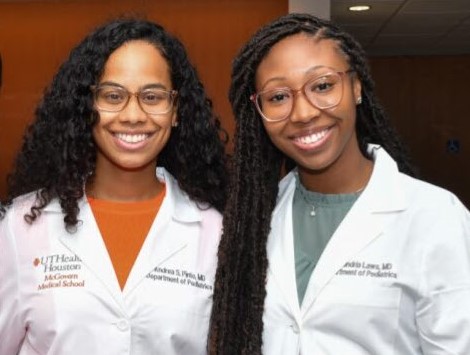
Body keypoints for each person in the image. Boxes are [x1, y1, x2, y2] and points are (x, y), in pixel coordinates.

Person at [208, 13, 470, 355]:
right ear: (258, 110)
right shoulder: (252, 220)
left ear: (356, 87)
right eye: (278, 97)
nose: (302, 113)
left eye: (322, 86)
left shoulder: (434, 215)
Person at [0, 18, 227, 354]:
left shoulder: (216, 231)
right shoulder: (21, 227)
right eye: (112, 95)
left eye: (152, 96)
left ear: (175, 110)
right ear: (86, 105)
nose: (133, 115)